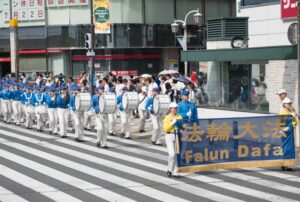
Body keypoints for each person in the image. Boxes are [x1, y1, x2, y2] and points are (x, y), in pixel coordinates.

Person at [163, 102, 182, 178]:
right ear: (170, 109)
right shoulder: (167, 117)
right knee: (172, 154)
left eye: (176, 108)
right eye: (173, 108)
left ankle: (175, 171)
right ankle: (169, 169)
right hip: (169, 136)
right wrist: (172, 123)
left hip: (177, 136)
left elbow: (182, 126)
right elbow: (165, 129)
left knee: (177, 154)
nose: (175, 109)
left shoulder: (179, 116)